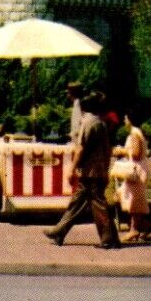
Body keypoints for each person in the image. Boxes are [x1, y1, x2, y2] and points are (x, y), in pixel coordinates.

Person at [45, 91, 120, 248]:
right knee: (78, 203)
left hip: (89, 172)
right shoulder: (100, 123)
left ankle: (108, 239)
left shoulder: (88, 123)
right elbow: (107, 150)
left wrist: (72, 169)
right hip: (98, 171)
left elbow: (80, 149)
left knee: (96, 205)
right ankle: (59, 232)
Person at [116, 110, 151, 242]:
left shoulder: (134, 134)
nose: (124, 121)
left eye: (125, 118)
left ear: (130, 120)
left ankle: (135, 229)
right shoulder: (138, 132)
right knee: (131, 198)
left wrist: (122, 151)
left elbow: (136, 153)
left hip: (136, 170)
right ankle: (143, 226)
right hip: (139, 169)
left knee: (133, 200)